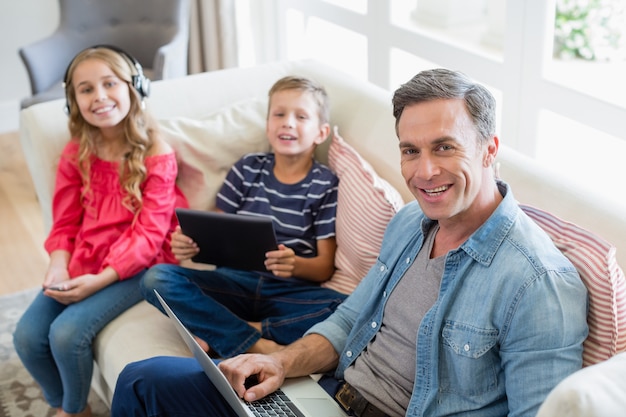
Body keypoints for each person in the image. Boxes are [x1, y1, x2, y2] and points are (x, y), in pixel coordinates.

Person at [111, 68, 589, 417]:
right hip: (326, 396)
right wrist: (279, 361)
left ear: (489, 149)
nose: (424, 172)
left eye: (445, 146)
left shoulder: (538, 284)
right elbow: (347, 321)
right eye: (410, 150)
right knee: (144, 379)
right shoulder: (410, 222)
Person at [13, 46, 188, 417]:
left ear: (135, 88)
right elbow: (65, 222)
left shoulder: (157, 152)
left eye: (110, 83)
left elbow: (149, 235)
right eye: (86, 89)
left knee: (66, 335)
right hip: (86, 260)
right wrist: (58, 266)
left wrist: (99, 280)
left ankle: (73, 412)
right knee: (27, 337)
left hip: (137, 264)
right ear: (73, 101)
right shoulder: (77, 151)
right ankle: (68, 404)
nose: (100, 97)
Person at [139, 75, 347, 359]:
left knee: (348, 308)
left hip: (286, 292)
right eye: (280, 114)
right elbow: (212, 229)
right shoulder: (248, 168)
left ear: (321, 133)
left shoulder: (325, 183)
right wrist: (189, 243)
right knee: (156, 279)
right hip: (232, 283)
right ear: (268, 125)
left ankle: (237, 331)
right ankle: (256, 343)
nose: (288, 122)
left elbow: (324, 268)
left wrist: (295, 264)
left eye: (301, 116)